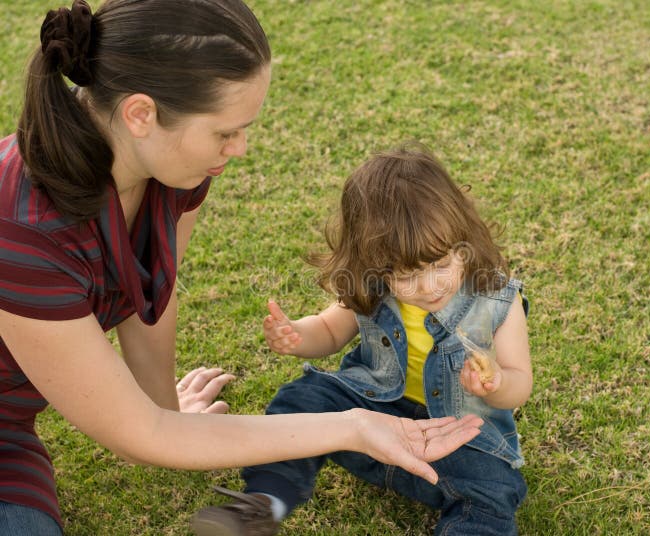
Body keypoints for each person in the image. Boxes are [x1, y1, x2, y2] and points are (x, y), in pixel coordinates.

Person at [0, 2, 484, 534]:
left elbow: (149, 292)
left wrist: (164, 411)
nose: (241, 148)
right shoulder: (23, 235)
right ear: (141, 114)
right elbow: (141, 439)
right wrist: (352, 426)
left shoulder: (171, 169)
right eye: (226, 132)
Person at [191, 143, 532, 536]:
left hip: (456, 440)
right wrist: (298, 336)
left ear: (463, 241)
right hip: (369, 416)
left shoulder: (497, 299)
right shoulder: (373, 287)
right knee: (301, 400)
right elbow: (331, 330)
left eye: (440, 265)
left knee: (495, 489)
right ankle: (266, 503)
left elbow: (519, 381)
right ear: (374, 263)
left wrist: (497, 385)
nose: (429, 286)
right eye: (407, 275)